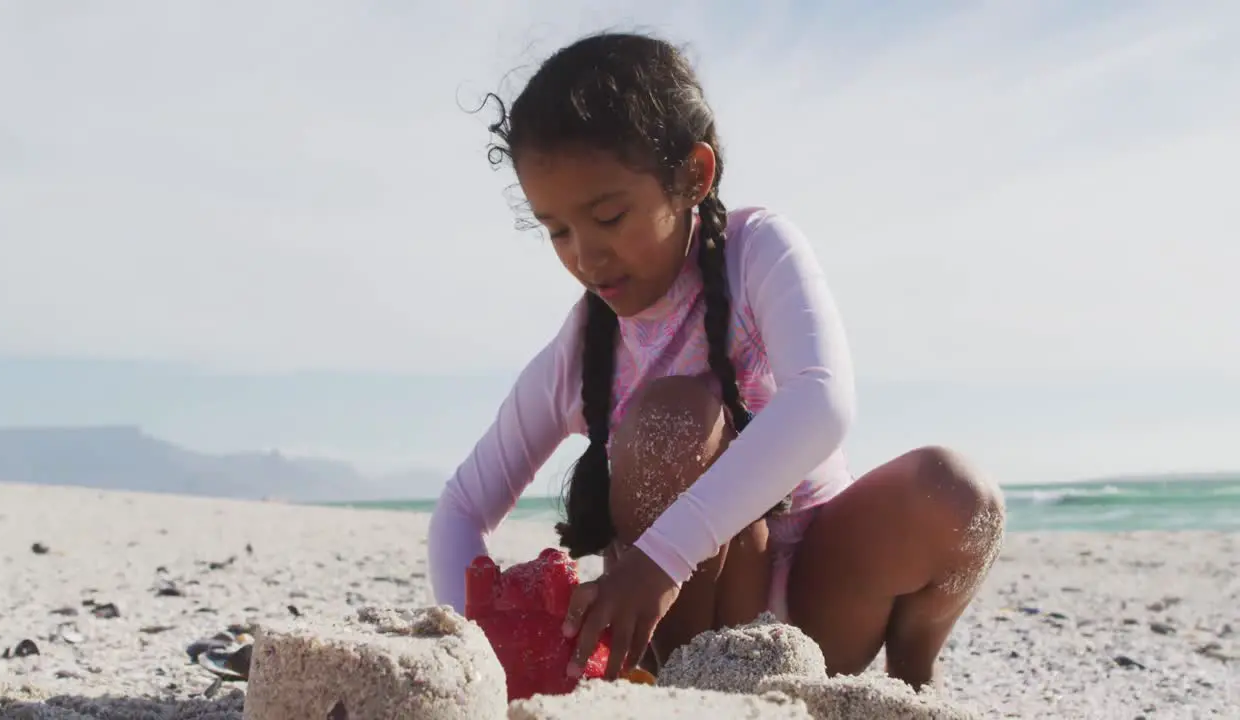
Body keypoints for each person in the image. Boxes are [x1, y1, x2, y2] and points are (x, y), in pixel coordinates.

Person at [426, 30, 1005, 690]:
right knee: (675, 414)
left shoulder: (756, 250)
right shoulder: (583, 346)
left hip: (821, 604)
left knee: (958, 491)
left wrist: (659, 558)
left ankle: (912, 672)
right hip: (688, 625)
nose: (585, 257)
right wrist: (475, 636)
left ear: (693, 177)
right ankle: (690, 688)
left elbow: (824, 402)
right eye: (557, 230)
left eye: (610, 216)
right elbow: (461, 508)